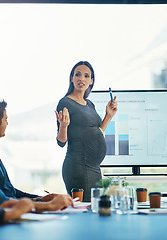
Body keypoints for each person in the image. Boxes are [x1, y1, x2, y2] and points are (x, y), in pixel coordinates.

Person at [56, 61, 118, 202]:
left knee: (94, 209)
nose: (81, 79)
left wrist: (108, 116)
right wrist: (64, 126)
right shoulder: (65, 103)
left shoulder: (90, 104)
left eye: (86, 76)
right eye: (77, 74)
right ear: (71, 78)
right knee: (85, 211)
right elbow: (61, 142)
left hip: (94, 168)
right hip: (78, 167)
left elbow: (96, 132)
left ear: (91, 81)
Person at [0, 99, 57, 202]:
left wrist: (40, 198)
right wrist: (37, 202)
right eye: (5, 120)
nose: (7, 123)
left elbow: (9, 190)